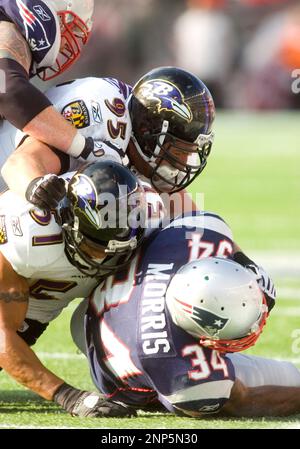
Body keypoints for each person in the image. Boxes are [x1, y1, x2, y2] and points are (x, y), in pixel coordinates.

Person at [70, 211, 296, 418]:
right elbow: (241, 401)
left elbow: (228, 244)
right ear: (203, 331)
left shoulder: (189, 238)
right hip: (108, 362)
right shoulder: (175, 364)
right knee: (289, 378)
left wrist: (245, 265)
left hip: (102, 307)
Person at [0, 160, 146, 418]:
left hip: (32, 313)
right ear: (68, 221)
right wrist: (69, 396)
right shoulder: (27, 233)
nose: (103, 257)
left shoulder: (141, 215)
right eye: (95, 245)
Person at [1, 67, 215, 212]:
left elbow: (184, 217)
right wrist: (43, 192)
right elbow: (18, 164)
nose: (184, 162)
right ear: (147, 132)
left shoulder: (135, 133)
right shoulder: (103, 119)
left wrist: (233, 255)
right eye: (178, 151)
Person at [0, 0, 96, 170]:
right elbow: (7, 90)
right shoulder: (6, 29)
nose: (65, 44)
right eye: (69, 27)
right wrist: (86, 148)